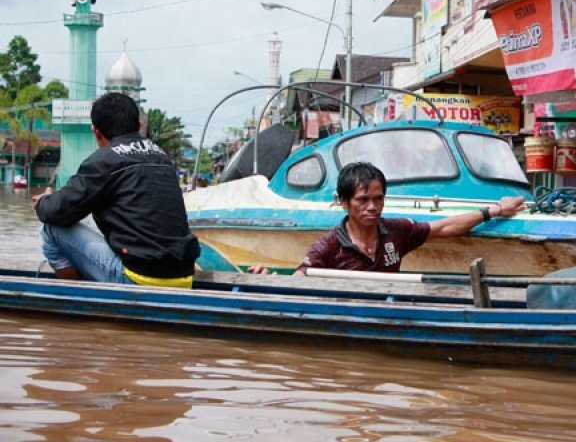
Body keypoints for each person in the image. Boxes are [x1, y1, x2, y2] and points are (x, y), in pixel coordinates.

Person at [33, 92, 200, 287]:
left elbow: (57, 212)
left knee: (51, 230)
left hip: (139, 279)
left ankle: (81, 302)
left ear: (96, 132)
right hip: (184, 276)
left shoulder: (103, 161)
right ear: (138, 126)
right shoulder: (162, 158)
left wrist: (44, 201)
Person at [249, 162, 525, 276]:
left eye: (378, 199)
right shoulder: (328, 246)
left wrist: (494, 211)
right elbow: (299, 279)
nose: (372, 207)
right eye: (362, 200)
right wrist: (269, 278)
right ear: (344, 203)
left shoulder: (398, 231)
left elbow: (444, 227)